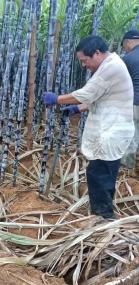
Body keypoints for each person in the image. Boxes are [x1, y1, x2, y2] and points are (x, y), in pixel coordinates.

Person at [42, 35, 134, 220]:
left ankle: (102, 218)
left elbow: (87, 93)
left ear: (97, 53)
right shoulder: (111, 64)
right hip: (114, 129)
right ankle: (105, 214)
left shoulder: (110, 68)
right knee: (105, 174)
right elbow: (99, 97)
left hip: (113, 130)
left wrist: (57, 99)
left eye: (84, 60)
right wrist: (77, 108)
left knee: (98, 174)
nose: (84, 65)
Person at [120, 29, 139, 172]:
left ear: (128, 42)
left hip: (135, 102)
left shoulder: (128, 58)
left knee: (130, 133)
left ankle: (127, 166)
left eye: (124, 46)